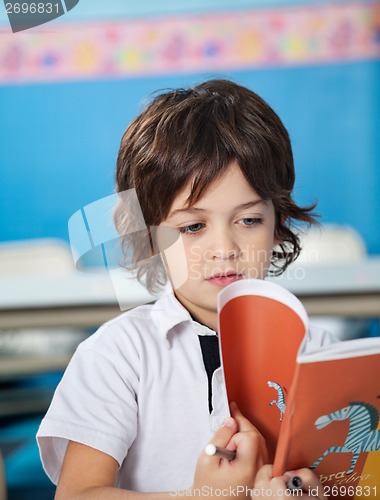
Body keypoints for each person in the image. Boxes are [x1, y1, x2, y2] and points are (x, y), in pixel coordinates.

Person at [37, 79, 332, 498]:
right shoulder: (118, 356)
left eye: (248, 220)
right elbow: (78, 494)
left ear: (278, 223)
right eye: (192, 227)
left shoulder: (318, 353)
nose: (224, 250)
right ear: (149, 236)